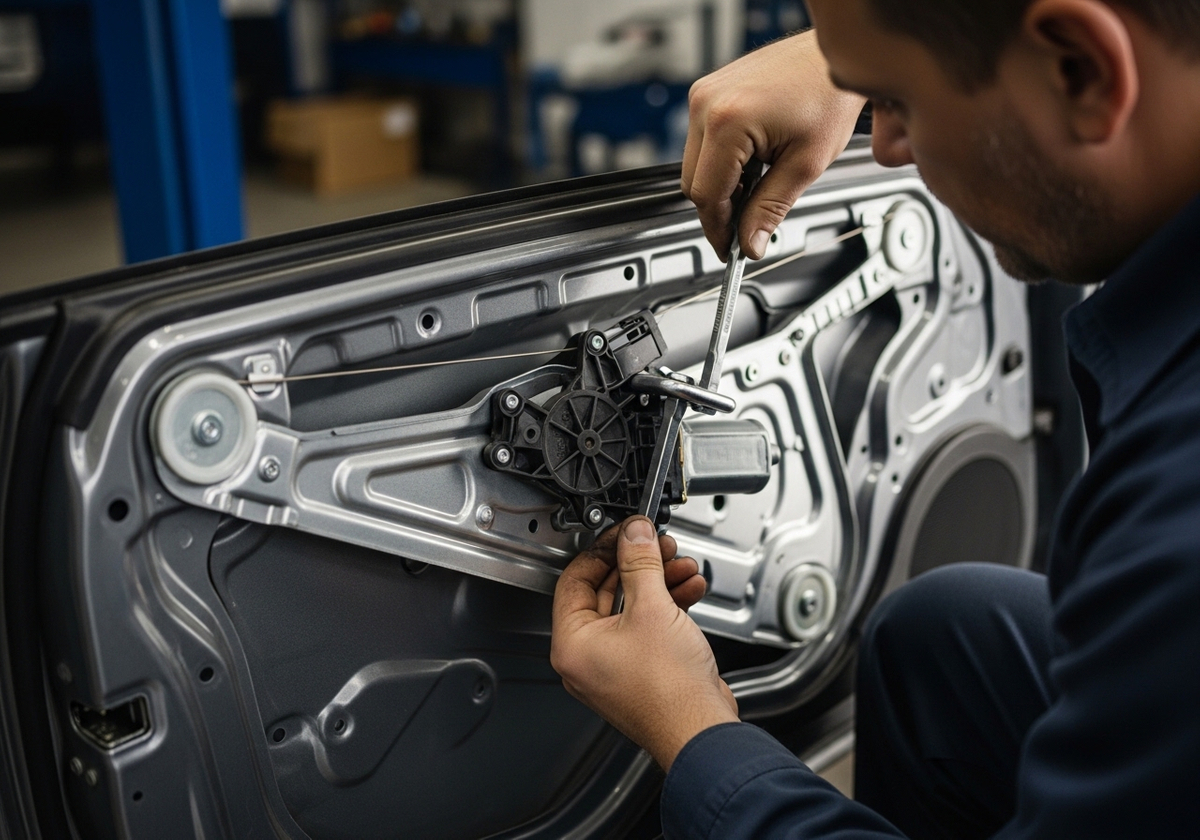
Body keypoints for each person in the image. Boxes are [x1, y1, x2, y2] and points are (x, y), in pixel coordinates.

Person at [549, 0, 1200, 837]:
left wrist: (696, 732)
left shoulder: (1176, 516)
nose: (883, 146)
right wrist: (853, 57)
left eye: (896, 105)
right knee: (946, 636)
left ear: (1078, 69)